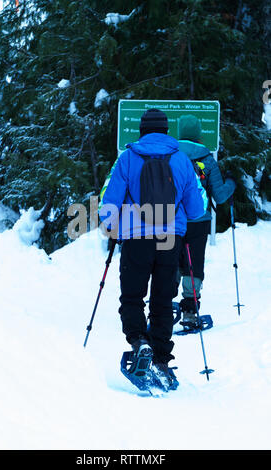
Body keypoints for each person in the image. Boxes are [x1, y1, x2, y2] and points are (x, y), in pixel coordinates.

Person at [99, 108, 204, 388]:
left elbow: (109, 205)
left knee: (132, 296)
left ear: (142, 130)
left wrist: (111, 225)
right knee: (162, 300)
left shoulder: (128, 158)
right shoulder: (182, 160)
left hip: (136, 239)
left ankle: (138, 341)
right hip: (170, 239)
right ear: (167, 130)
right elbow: (196, 210)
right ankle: (160, 358)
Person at [176, 114, 236, 327]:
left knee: (170, 259)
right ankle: (190, 311)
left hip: (171, 218)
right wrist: (231, 182)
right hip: (199, 220)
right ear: (198, 133)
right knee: (194, 264)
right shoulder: (207, 159)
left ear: (180, 131)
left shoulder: (171, 154)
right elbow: (220, 196)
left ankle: (162, 306)